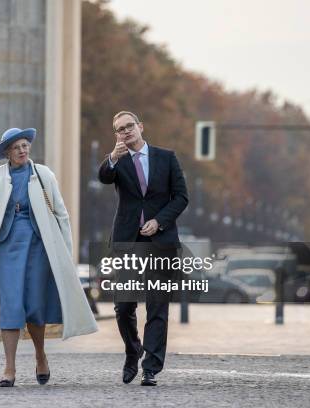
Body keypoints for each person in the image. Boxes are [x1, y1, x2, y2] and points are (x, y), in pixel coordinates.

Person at [0, 128, 98, 387]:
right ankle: (9, 368)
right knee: (10, 305)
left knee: (34, 305)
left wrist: (65, 253)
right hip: (5, 247)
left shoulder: (43, 174)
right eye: (17, 146)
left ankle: (41, 357)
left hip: (38, 246)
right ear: (7, 152)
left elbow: (61, 215)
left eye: (25, 145)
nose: (22, 150)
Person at [98, 111, 188, 386]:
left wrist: (159, 221)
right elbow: (103, 176)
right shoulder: (118, 160)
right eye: (119, 129)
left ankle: (151, 366)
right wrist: (112, 156)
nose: (125, 132)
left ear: (140, 127)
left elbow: (182, 197)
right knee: (123, 306)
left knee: (157, 306)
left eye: (129, 126)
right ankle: (132, 349)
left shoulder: (166, 157)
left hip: (160, 242)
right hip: (128, 241)